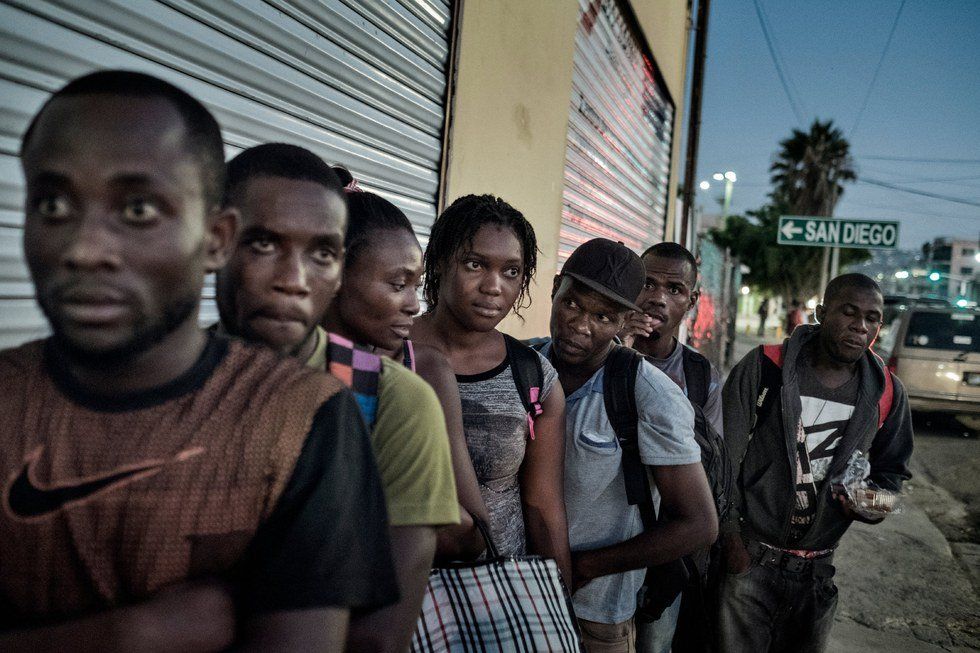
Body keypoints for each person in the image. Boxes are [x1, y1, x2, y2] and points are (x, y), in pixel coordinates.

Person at [0, 71, 397, 651]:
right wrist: (133, 636)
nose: (84, 248)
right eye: (54, 204)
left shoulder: (301, 421)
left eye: (137, 210)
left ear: (216, 239)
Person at [215, 144, 461, 652]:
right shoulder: (157, 379)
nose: (293, 280)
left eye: (322, 254)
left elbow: (378, 637)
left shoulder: (393, 404)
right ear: (212, 244)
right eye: (262, 245)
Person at [533, 238, 717, 653]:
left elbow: (699, 524)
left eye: (604, 316)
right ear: (555, 288)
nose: (581, 325)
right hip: (512, 595)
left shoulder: (647, 393)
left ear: (625, 321)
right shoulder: (524, 365)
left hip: (592, 617)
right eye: (572, 304)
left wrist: (587, 567)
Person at [719, 273, 913, 653]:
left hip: (818, 572)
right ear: (822, 313)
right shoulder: (765, 367)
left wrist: (875, 507)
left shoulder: (887, 392)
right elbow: (721, 457)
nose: (860, 326)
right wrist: (730, 542)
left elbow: (892, 476)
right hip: (748, 559)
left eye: (872, 318)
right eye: (848, 312)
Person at [322, 168, 490, 560]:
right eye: (399, 285)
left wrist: (408, 497)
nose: (415, 305)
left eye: (416, 285)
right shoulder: (276, 367)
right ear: (333, 272)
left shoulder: (421, 374)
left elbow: (474, 533)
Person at [410, 194, 573, 584]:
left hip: (494, 594)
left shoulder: (534, 376)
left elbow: (543, 506)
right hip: (398, 587)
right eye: (474, 264)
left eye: (511, 271)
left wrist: (560, 607)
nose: (493, 287)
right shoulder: (384, 350)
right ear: (439, 261)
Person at [620, 241, 723, 652]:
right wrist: (619, 344)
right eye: (646, 283)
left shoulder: (700, 377)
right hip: (597, 546)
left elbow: (708, 473)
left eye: (674, 290)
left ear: (692, 300)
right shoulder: (594, 352)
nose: (657, 298)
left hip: (665, 555)